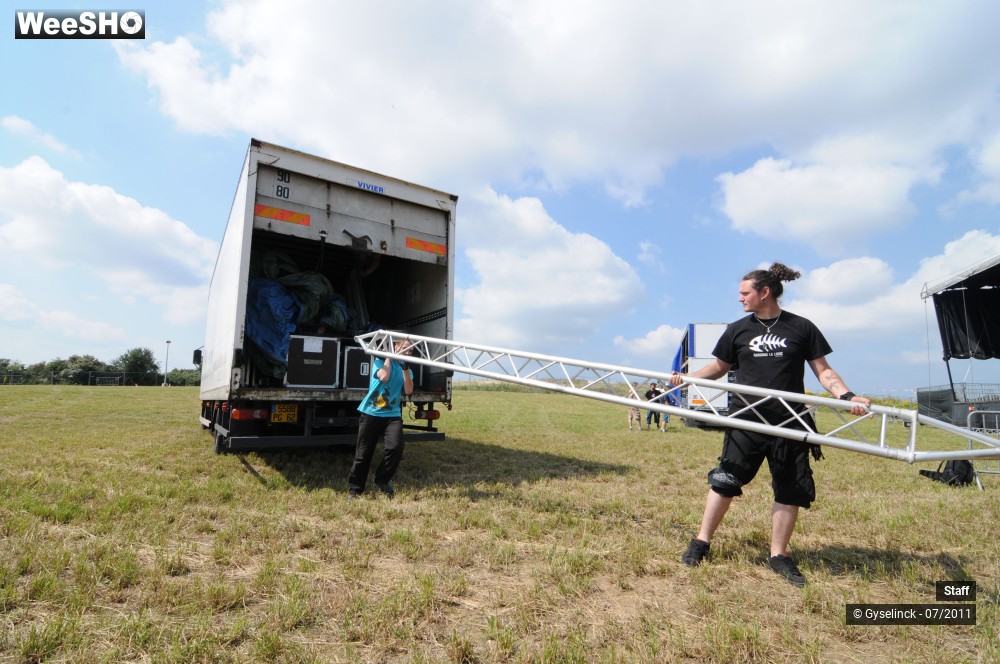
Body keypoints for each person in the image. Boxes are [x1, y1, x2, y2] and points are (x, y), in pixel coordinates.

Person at [669, 262, 870, 586]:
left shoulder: (801, 327)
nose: (739, 299)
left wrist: (848, 396)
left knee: (790, 488)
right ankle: (701, 542)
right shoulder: (737, 329)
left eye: (744, 293)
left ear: (764, 293)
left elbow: (823, 371)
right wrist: (686, 379)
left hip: (790, 421)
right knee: (725, 480)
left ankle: (779, 555)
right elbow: (719, 368)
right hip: (746, 418)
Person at [347, 339, 414, 500]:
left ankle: (382, 480)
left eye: (411, 351)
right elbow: (383, 377)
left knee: (396, 448)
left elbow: (408, 390)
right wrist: (389, 356)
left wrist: (405, 367)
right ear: (395, 347)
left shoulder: (408, 371)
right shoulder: (379, 362)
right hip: (371, 413)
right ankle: (355, 489)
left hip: (392, 415)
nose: (407, 352)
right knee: (363, 454)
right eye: (405, 348)